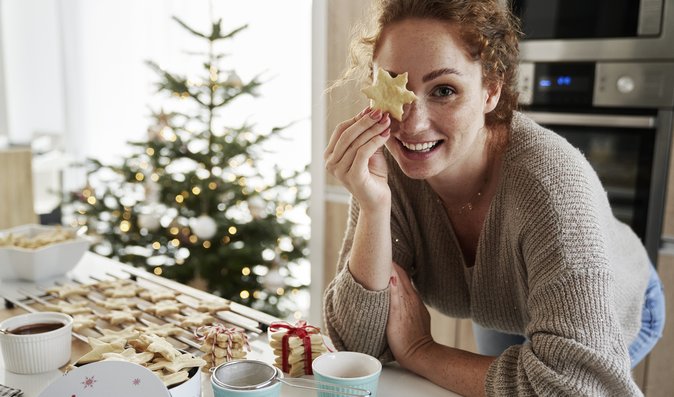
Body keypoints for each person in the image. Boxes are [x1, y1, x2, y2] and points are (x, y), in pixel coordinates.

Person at [322, 0, 666, 396]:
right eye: (396, 86)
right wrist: (373, 206)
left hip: (614, 307)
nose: (412, 124)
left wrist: (421, 351)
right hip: (503, 311)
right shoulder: (386, 167)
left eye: (444, 90)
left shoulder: (551, 186)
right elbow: (357, 349)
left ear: (491, 89)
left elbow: (576, 386)